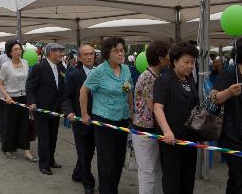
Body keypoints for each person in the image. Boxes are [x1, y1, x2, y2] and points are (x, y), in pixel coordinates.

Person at [80, 37, 133, 194]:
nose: (120, 53)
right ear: (107, 53)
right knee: (106, 159)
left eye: (122, 50)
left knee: (118, 158)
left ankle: (112, 188)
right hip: (104, 120)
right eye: (116, 50)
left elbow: (129, 90)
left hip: (122, 118)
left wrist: (131, 111)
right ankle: (106, 190)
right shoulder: (99, 72)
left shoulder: (126, 70)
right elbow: (84, 91)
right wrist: (84, 114)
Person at [211, 36, 242, 194]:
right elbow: (212, 98)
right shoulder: (230, 74)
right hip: (232, 137)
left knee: (235, 179)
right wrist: (228, 92)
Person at [153, 42, 199, 194]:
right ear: (174, 61)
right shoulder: (163, 81)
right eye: (186, 62)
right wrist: (167, 131)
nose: (190, 66)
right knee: (172, 180)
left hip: (190, 138)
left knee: (188, 178)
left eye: (192, 62)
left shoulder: (190, 79)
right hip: (171, 139)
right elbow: (157, 108)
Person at [132, 40, 170, 194]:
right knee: (147, 171)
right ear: (160, 58)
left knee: (154, 169)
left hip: (151, 129)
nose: (170, 58)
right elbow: (152, 105)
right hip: (144, 130)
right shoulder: (149, 77)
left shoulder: (155, 75)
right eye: (167, 54)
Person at [26, 43, 66, 175]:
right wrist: (31, 102)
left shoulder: (60, 67)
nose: (61, 53)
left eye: (61, 51)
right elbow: (30, 86)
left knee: (53, 137)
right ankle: (44, 164)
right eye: (59, 51)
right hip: (42, 109)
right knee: (44, 139)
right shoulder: (40, 67)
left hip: (55, 109)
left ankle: (51, 160)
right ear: (51, 53)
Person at [62, 44, 96, 194]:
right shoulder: (74, 75)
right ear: (80, 58)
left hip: (98, 120)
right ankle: (88, 183)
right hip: (80, 120)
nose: (89, 57)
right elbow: (67, 97)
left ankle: (77, 173)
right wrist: (69, 112)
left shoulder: (100, 73)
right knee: (83, 151)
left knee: (88, 152)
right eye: (86, 55)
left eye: (92, 54)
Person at [0, 40, 37, 161]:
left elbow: (28, 82)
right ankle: (9, 148)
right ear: (10, 52)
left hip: (24, 97)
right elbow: (0, 84)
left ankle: (26, 151)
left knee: (25, 125)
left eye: (19, 49)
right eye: (15, 49)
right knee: (11, 124)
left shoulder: (25, 62)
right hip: (11, 99)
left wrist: (31, 98)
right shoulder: (5, 65)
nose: (18, 51)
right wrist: (7, 96)